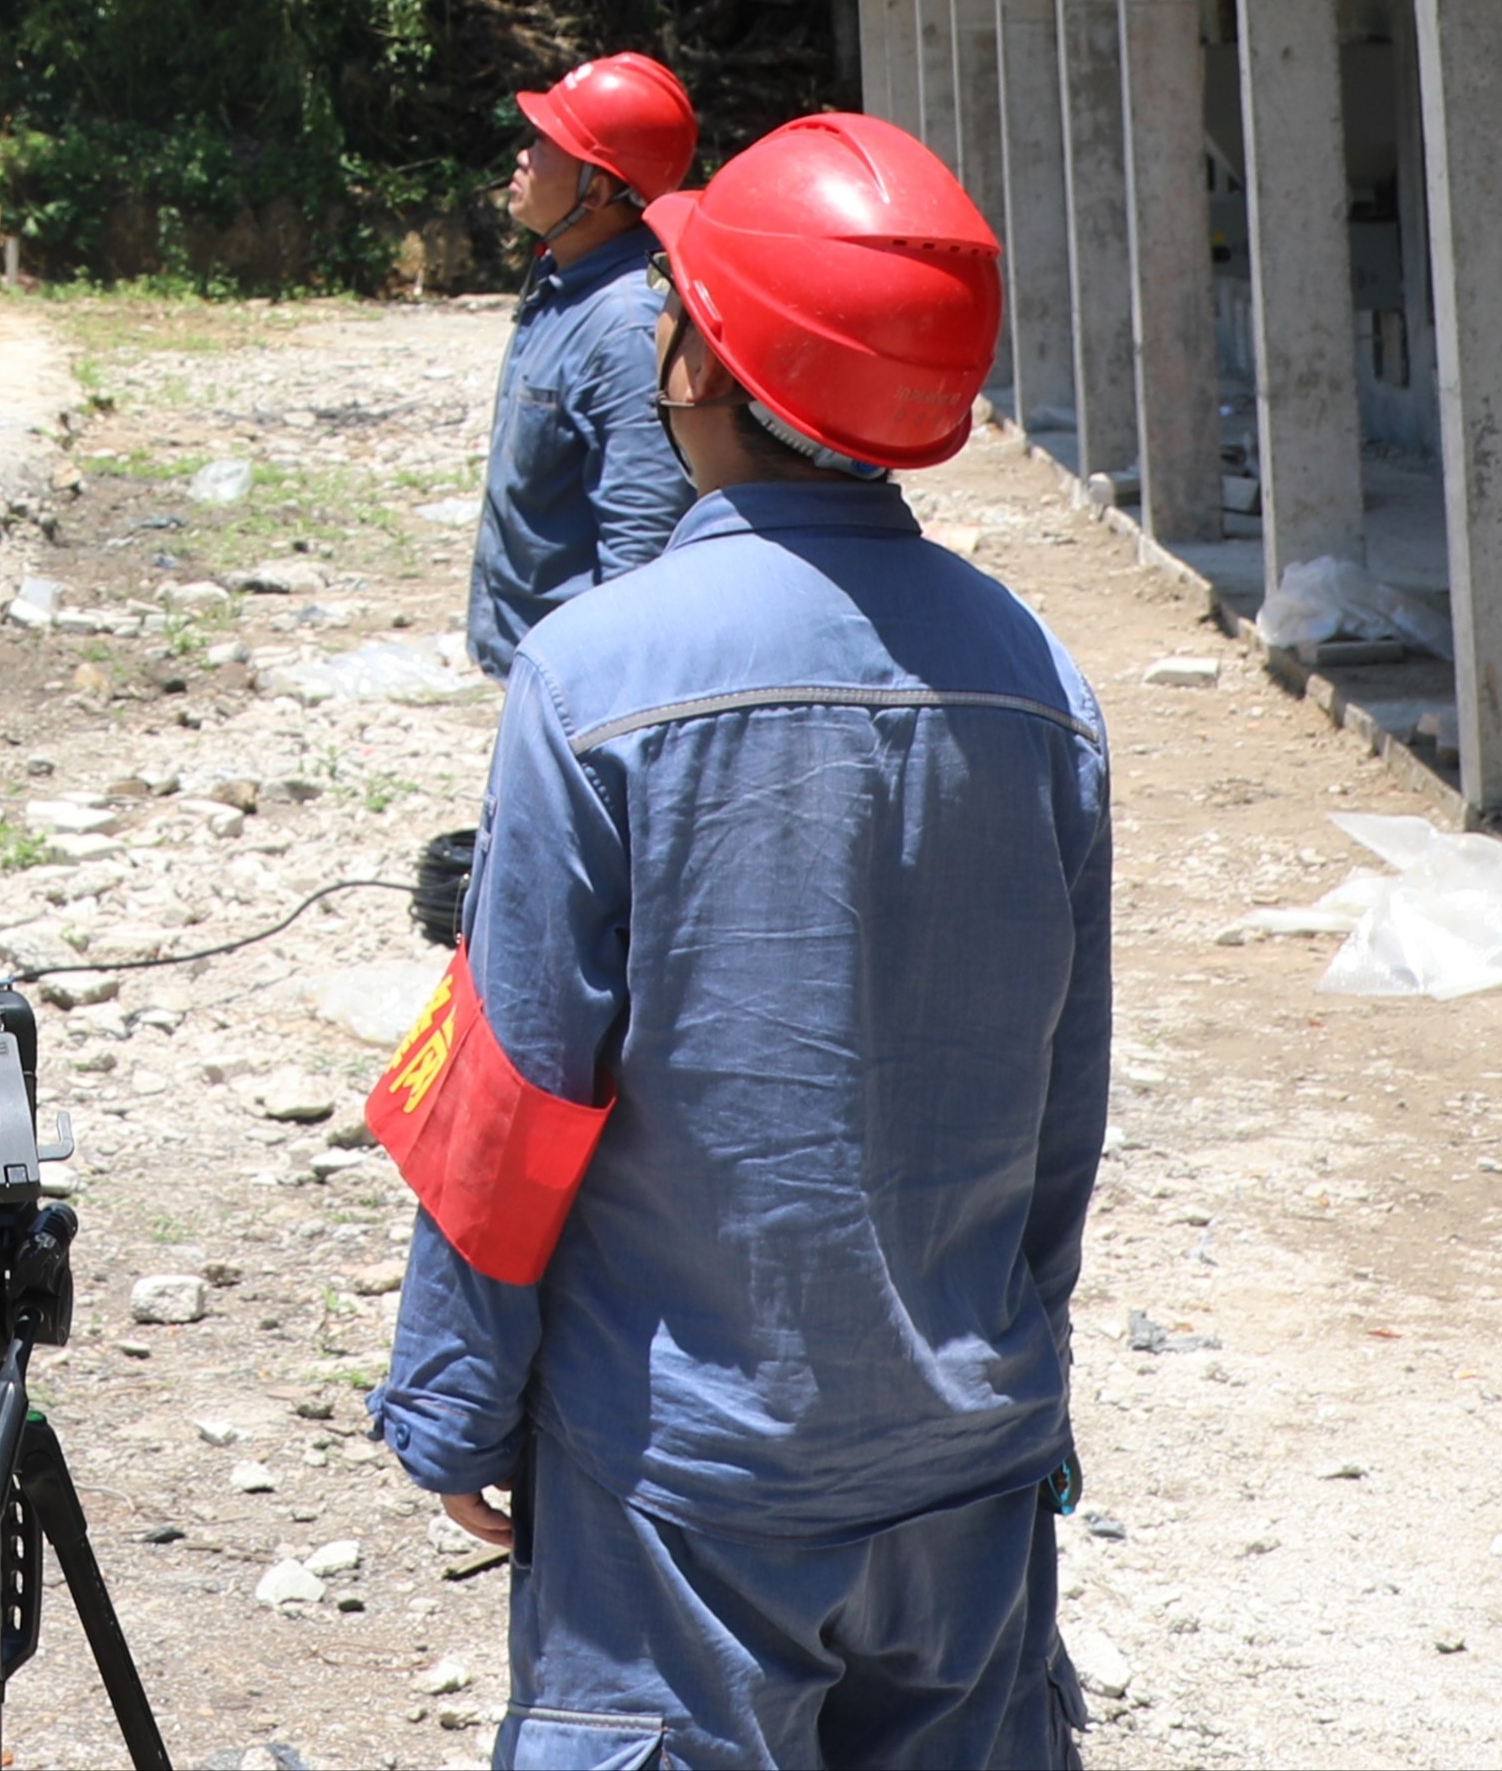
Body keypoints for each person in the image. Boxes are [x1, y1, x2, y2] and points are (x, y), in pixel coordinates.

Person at [371, 111, 1106, 1769]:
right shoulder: (1039, 681)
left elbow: (510, 1097)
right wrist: (1014, 1381)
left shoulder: (592, 678)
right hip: (964, 1473)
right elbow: (1064, 1105)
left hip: (682, 1490)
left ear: (704, 365)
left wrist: (451, 1396)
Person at [467, 53, 700, 674]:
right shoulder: (563, 279)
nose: (523, 155)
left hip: (580, 681)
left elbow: (643, 542)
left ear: (595, 191)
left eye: (545, 144)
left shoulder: (624, 325)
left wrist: (609, 699)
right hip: (542, 666)